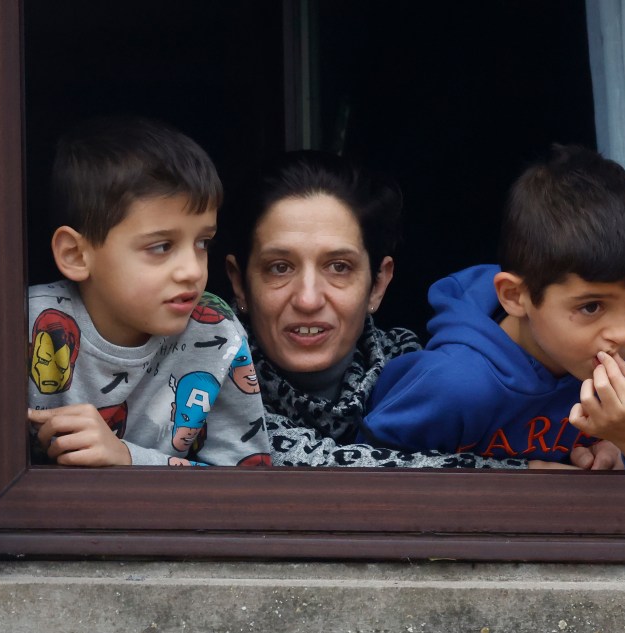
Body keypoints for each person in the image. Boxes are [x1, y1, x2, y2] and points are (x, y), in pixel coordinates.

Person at [360, 144, 625, 472]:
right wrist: (509, 479)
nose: (623, 332)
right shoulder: (456, 382)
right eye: (592, 306)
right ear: (515, 296)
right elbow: (366, 472)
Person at [224, 150, 590, 469]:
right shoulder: (202, 383)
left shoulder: (430, 374)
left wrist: (597, 445)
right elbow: (320, 477)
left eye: (338, 267)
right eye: (280, 268)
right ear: (240, 283)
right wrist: (519, 475)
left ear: (378, 284)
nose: (307, 299)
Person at [27, 116, 272, 468]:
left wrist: (128, 460)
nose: (192, 270)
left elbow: (246, 485)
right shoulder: (29, 327)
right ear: (76, 255)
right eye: (161, 247)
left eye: (203, 242)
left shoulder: (216, 332)